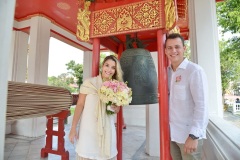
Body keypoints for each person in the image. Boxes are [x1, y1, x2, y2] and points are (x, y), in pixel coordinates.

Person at [69, 55, 123, 160]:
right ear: (102, 66)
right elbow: (80, 105)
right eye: (107, 65)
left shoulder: (116, 87)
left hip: (107, 129)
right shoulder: (89, 83)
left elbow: (117, 109)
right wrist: (73, 128)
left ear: (116, 71)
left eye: (113, 67)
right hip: (88, 129)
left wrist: (115, 107)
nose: (109, 69)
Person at [165, 33, 209, 160]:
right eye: (169, 48)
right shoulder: (167, 73)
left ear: (184, 49)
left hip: (188, 136)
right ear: (165, 51)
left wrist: (194, 136)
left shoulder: (195, 71)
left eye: (177, 47)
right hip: (172, 134)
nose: (173, 51)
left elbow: (202, 105)